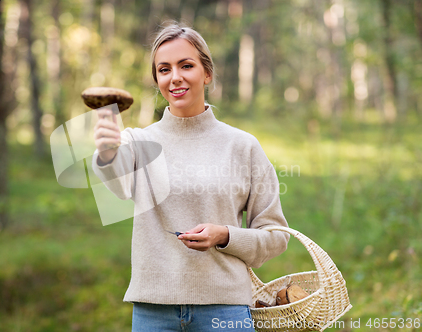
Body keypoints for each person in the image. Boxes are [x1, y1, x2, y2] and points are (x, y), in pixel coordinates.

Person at [92, 22, 289, 332]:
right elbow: (117, 187)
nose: (176, 77)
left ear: (206, 73)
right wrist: (106, 151)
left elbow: (275, 236)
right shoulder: (136, 142)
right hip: (153, 312)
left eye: (186, 65)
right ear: (157, 79)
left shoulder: (243, 146)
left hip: (225, 310)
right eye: (164, 69)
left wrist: (225, 235)